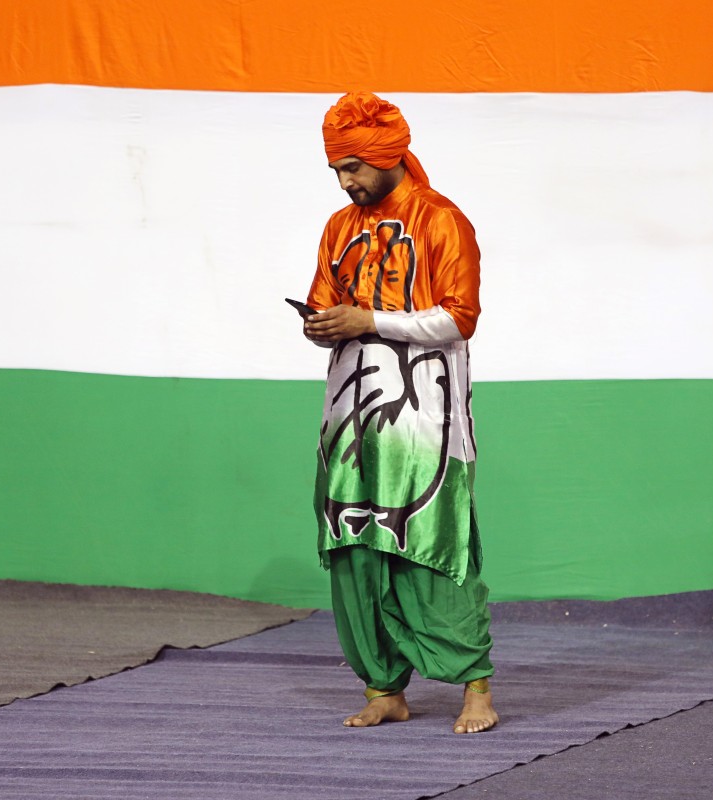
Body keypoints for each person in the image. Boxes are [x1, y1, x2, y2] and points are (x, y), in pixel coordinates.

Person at [300, 91, 498, 735]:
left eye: (354, 167)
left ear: (388, 157)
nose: (347, 181)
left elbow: (459, 317)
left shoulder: (442, 220)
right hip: (349, 419)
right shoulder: (338, 226)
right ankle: (383, 687)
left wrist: (371, 320)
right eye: (338, 171)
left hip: (426, 423)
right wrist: (324, 326)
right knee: (355, 546)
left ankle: (476, 691)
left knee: (433, 547)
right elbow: (325, 301)